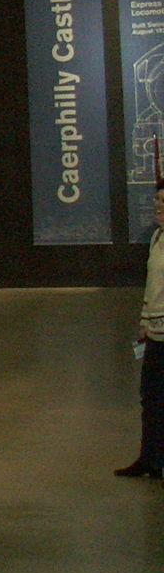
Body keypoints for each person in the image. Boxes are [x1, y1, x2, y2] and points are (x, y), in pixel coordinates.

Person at [116, 181, 164, 478]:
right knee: (151, 397)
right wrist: (145, 322)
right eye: (157, 200)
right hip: (156, 335)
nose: (158, 206)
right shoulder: (157, 238)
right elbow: (152, 285)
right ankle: (150, 458)